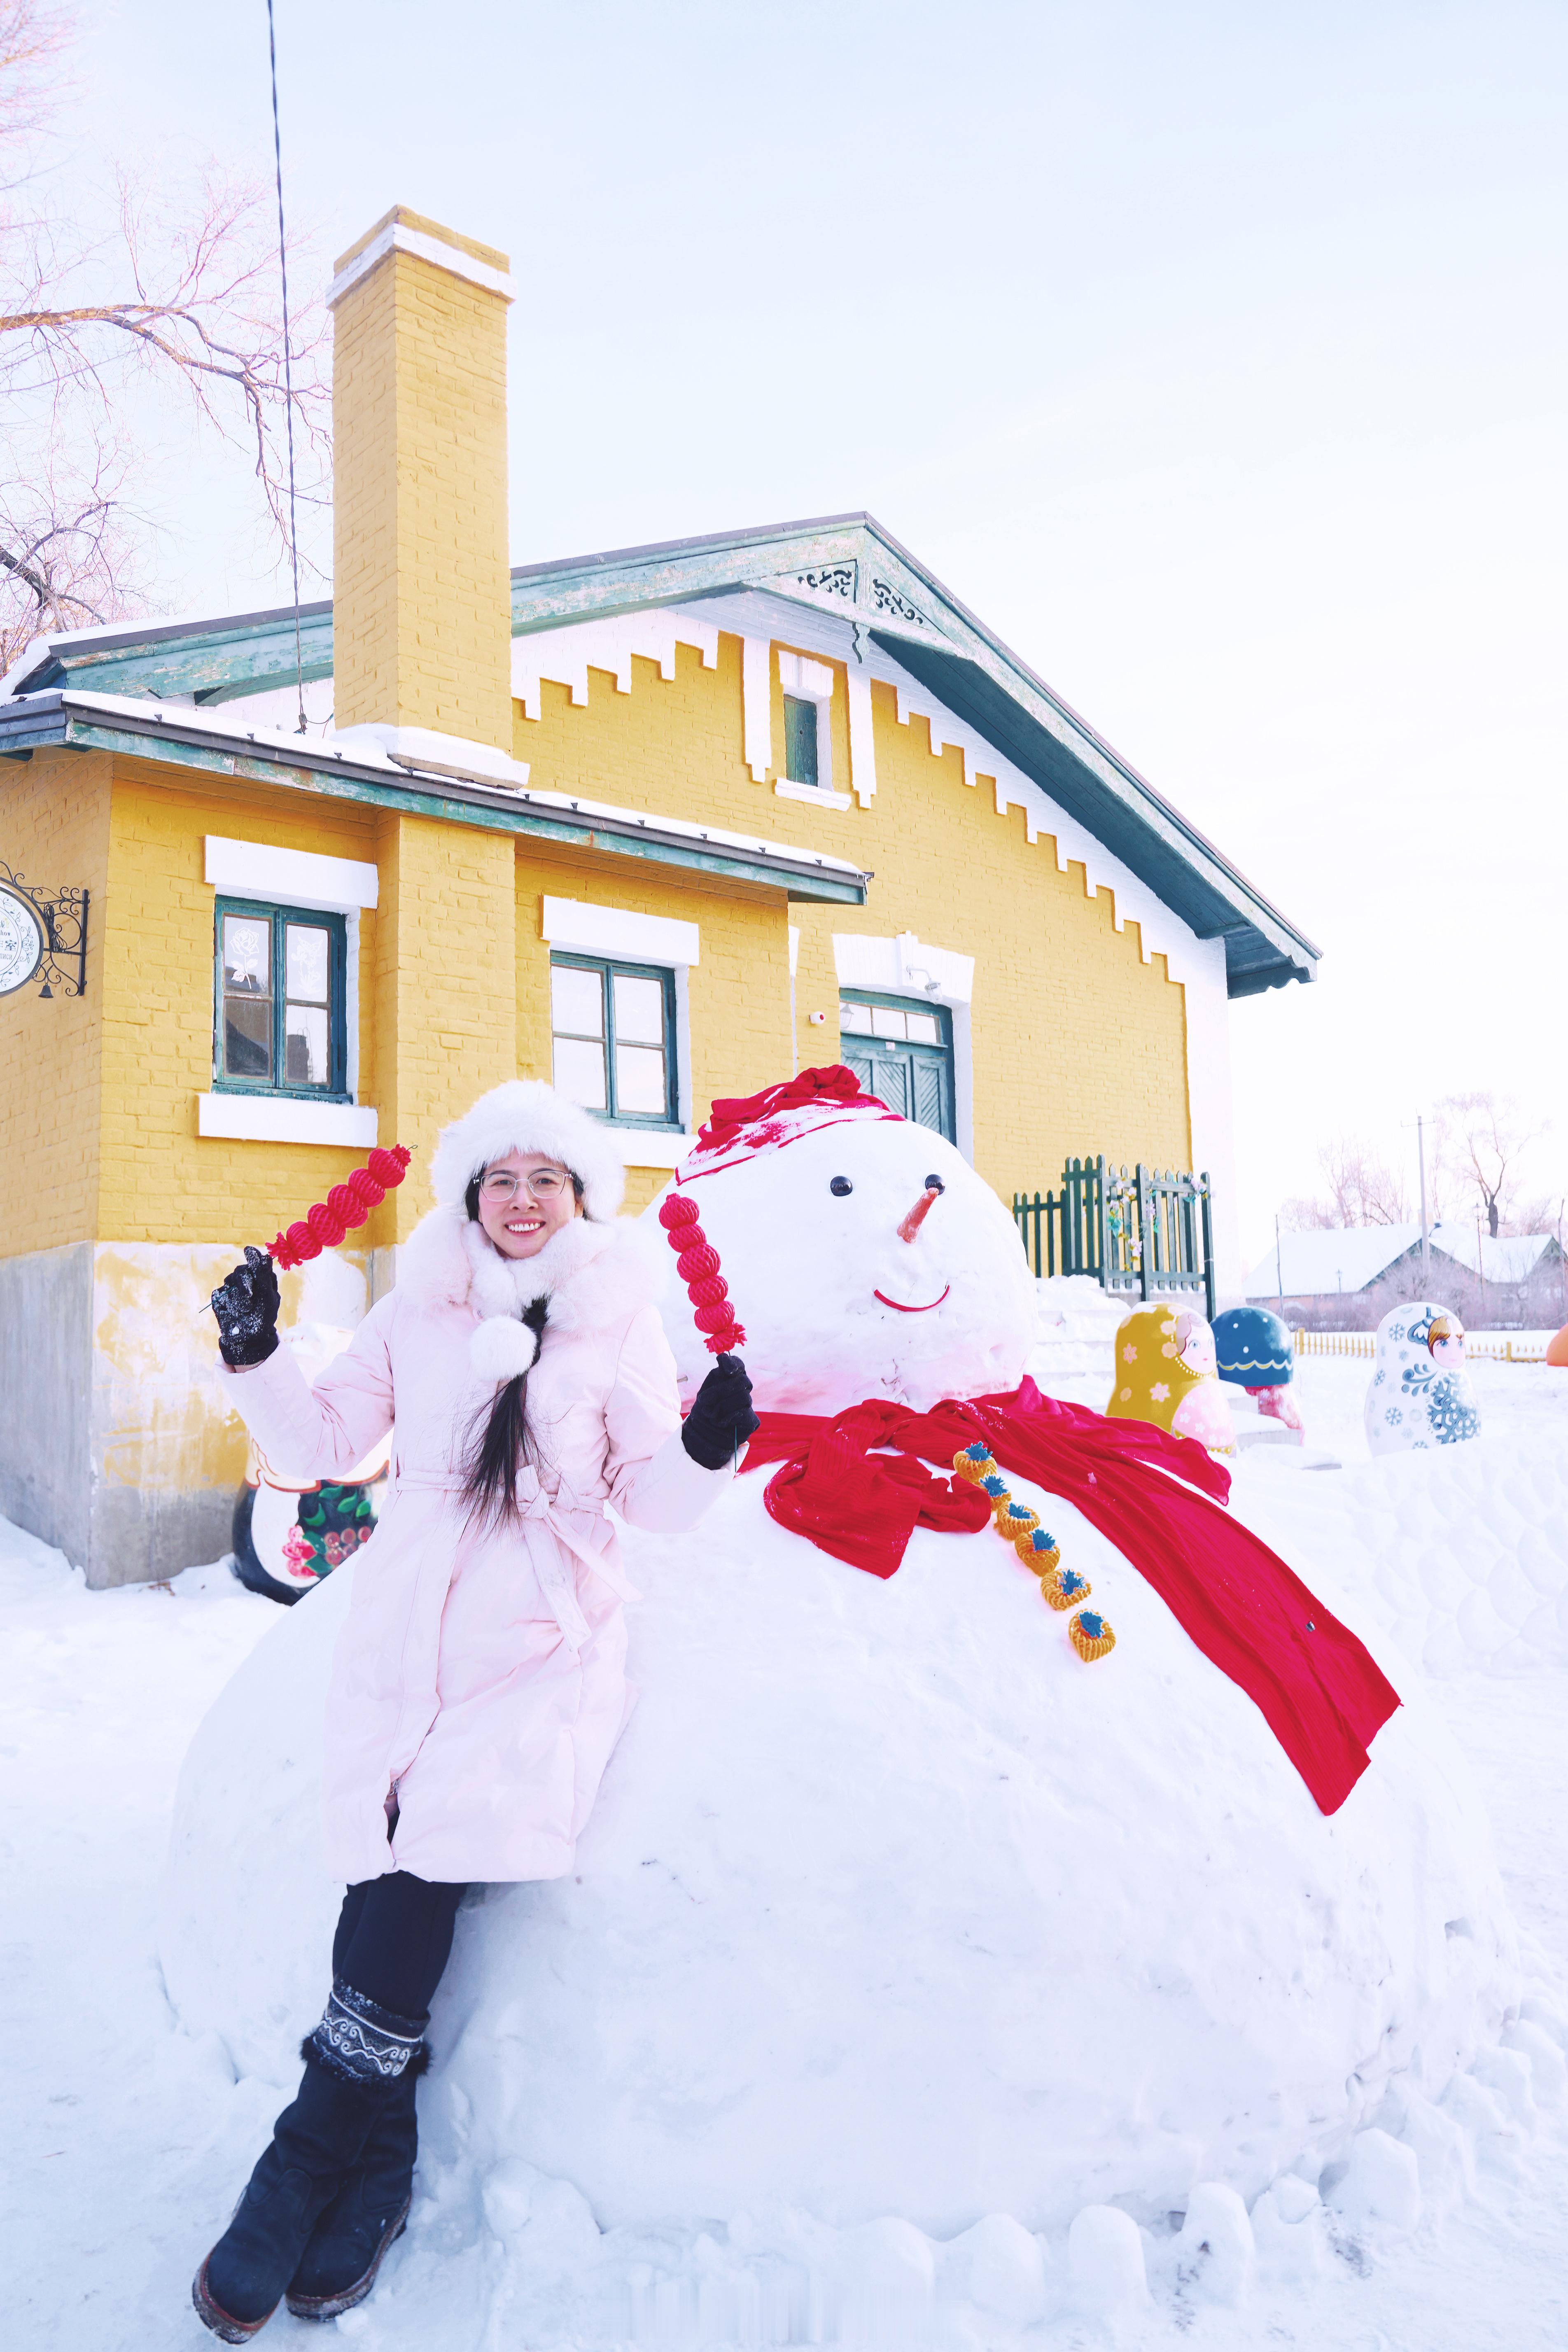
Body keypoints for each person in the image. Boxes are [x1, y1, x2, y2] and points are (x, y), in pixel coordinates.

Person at [191, 1081, 758, 2342]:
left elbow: (649, 1500)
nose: (519, 1201)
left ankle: (299, 2164)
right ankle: (375, 2171)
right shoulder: (420, 1309)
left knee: (421, 1863)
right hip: (409, 1624)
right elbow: (321, 1446)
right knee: (383, 1855)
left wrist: (706, 1447)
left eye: (544, 1181)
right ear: (468, 1196)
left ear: (580, 1200)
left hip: (539, 1641)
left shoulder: (619, 1325)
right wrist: (257, 1353)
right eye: (498, 1181)